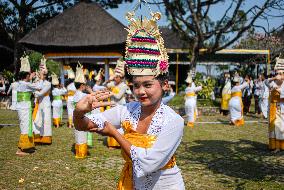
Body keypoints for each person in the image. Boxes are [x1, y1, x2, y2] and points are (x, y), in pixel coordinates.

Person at [74, 11, 185, 189]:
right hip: (134, 183)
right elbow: (84, 125)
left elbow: (148, 164)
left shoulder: (173, 121)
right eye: (136, 85)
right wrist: (79, 113)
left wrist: (115, 133)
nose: (140, 91)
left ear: (165, 85)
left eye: (148, 85)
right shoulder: (127, 111)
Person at [16, 55, 42, 156]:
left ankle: (25, 146)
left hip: (22, 107)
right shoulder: (25, 84)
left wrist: (31, 79)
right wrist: (39, 77)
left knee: (25, 125)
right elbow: (39, 87)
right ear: (27, 75)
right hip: (24, 108)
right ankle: (21, 149)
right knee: (25, 126)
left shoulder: (20, 83)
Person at [105, 59, 128, 149]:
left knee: (120, 126)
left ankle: (121, 143)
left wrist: (111, 93)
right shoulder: (113, 83)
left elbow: (118, 96)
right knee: (112, 125)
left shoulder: (124, 86)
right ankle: (112, 144)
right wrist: (107, 81)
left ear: (120, 77)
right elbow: (105, 85)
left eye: (116, 77)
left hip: (120, 107)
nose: (115, 78)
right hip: (112, 106)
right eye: (114, 77)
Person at [73, 64, 94, 158]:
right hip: (82, 117)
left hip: (75, 117)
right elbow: (93, 100)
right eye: (84, 85)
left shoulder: (75, 95)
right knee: (82, 134)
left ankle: (79, 151)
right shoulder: (82, 95)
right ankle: (81, 153)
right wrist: (91, 92)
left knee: (78, 133)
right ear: (82, 85)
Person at [265, 57, 284, 152]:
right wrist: (273, 78)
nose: (279, 75)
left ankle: (281, 146)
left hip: (282, 109)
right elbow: (266, 82)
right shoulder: (273, 83)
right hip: (273, 108)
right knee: (274, 127)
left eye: (280, 74)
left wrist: (278, 90)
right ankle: (275, 146)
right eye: (277, 73)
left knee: (281, 128)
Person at [33, 56, 52, 144]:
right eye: (42, 74)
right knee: (38, 119)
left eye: (44, 74)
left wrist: (35, 91)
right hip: (39, 103)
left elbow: (40, 92)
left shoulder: (48, 83)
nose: (43, 75)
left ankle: (46, 138)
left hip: (46, 103)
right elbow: (36, 89)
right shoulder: (38, 82)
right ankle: (37, 137)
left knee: (46, 120)